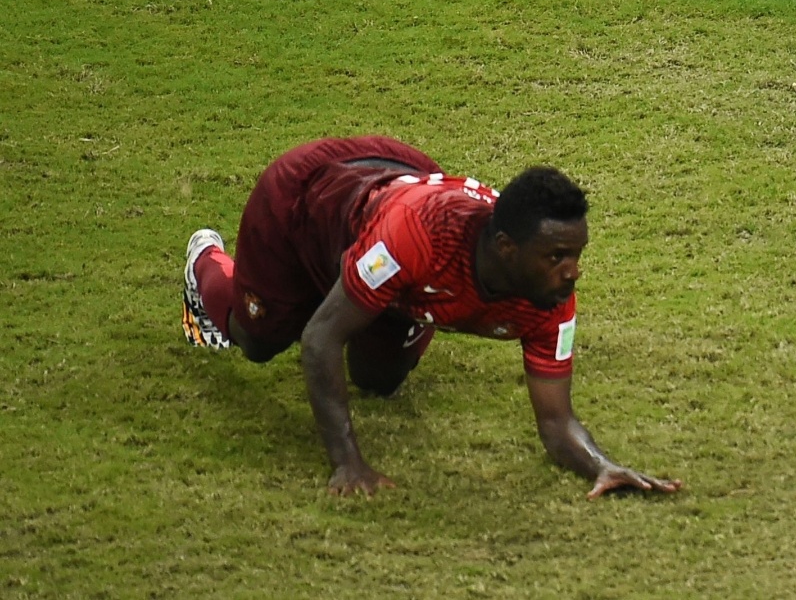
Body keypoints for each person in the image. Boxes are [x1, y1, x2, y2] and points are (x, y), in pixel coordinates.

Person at [181, 135, 681, 496]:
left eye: (576, 256)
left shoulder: (548, 297)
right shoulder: (417, 238)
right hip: (309, 198)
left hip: (397, 195)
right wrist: (347, 464)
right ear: (506, 248)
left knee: (378, 380)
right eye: (557, 257)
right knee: (258, 339)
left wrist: (601, 465)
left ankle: (378, 297)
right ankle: (207, 260)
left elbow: (557, 422)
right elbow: (319, 339)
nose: (572, 273)